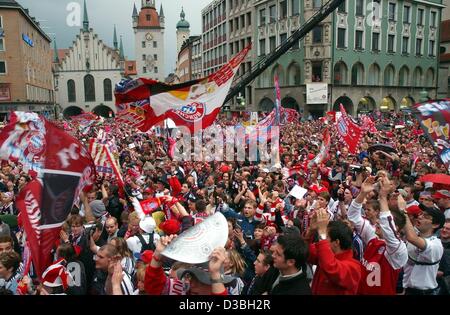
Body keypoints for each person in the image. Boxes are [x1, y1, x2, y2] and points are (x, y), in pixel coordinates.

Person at [347, 176, 408, 295]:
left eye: (384, 221)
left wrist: (383, 197)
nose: (379, 222)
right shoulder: (373, 236)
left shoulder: (398, 251)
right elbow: (353, 216)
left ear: (397, 229)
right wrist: (362, 194)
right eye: (379, 219)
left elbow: (388, 227)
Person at [144, 235, 230, 295]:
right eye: (192, 277)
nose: (192, 285)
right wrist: (158, 256)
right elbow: (153, 287)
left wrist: (215, 273)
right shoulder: (181, 290)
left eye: (201, 281)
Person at [308, 209, 362, 295]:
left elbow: (331, 268)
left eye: (327, 237)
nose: (324, 241)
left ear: (336, 242)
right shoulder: (325, 254)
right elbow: (305, 253)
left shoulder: (354, 267)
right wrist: (311, 231)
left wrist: (322, 233)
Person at [401, 198, 445, 295]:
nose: (420, 217)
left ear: (435, 225)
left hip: (424, 292)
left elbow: (411, 238)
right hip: (407, 289)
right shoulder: (417, 233)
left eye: (426, 216)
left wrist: (404, 211)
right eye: (421, 214)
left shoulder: (436, 244)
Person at [438, 219, 450, 294]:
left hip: (445, 286)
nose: (444, 230)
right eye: (443, 227)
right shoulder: (434, 241)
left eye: (448, 229)